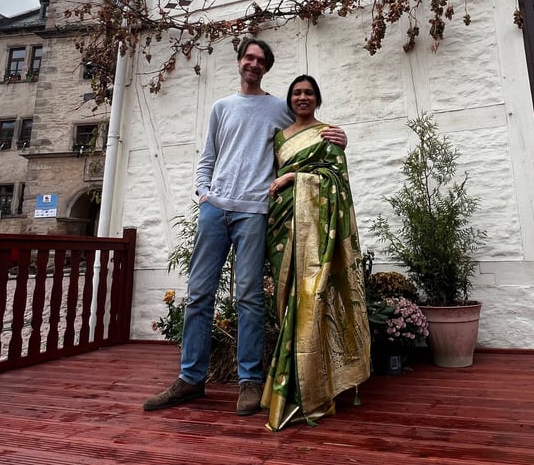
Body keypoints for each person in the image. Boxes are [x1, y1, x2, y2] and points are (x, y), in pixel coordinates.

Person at [143, 39, 347, 416]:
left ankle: (249, 382)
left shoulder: (278, 109)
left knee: (250, 298)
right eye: (248, 57)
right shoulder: (222, 107)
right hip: (215, 211)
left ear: (266, 68)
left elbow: (304, 134)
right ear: (240, 62)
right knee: (199, 295)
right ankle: (190, 379)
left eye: (260, 60)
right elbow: (209, 157)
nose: (253, 64)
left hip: (255, 212)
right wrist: (204, 194)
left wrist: (337, 136)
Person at [261, 74, 371, 430]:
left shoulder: (328, 135)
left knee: (309, 300)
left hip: (315, 235)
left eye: (308, 93)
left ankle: (311, 387)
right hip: (281, 227)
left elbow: (338, 183)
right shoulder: (279, 137)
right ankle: (289, 382)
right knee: (286, 303)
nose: (302, 97)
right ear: (290, 100)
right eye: (296, 93)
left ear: (317, 98)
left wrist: (297, 178)